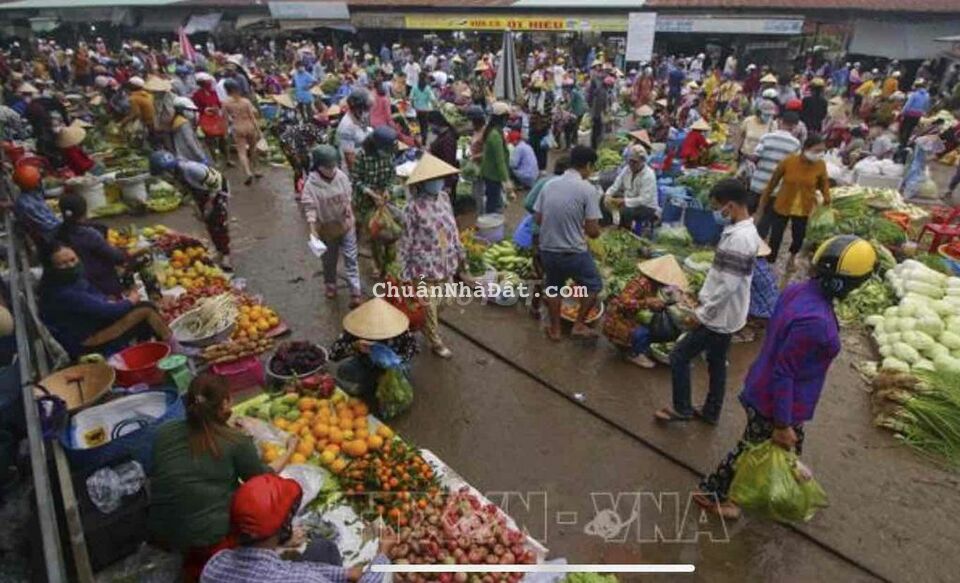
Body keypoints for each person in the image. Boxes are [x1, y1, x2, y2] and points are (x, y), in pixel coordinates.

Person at [693, 236, 877, 519]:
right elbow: (785, 372)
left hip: (769, 389)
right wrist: (781, 423)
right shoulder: (816, 322)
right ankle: (717, 496)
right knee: (752, 450)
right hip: (775, 403)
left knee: (780, 448)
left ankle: (775, 487)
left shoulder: (799, 291)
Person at [150, 374, 298, 582]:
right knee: (268, 496)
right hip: (209, 538)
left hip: (163, 530)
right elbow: (263, 478)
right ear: (223, 406)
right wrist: (291, 449)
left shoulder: (165, 431)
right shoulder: (235, 442)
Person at [655, 179, 761, 425]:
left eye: (718, 207)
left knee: (679, 356)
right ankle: (712, 411)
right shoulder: (741, 231)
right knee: (716, 363)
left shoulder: (741, 239)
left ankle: (682, 408)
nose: (717, 213)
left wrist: (701, 314)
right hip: (726, 313)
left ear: (731, 206)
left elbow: (728, 286)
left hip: (718, 315)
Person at [200, 473, 394, 583]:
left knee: (322, 548)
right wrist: (382, 554)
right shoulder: (304, 580)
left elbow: (286, 569)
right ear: (283, 527)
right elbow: (296, 575)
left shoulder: (216, 565)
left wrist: (344, 574)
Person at [38, 243, 171, 358]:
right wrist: (130, 300)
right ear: (51, 268)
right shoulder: (63, 293)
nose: (71, 265)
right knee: (146, 309)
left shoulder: (69, 280)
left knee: (137, 311)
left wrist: (111, 300)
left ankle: (149, 351)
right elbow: (108, 311)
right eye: (63, 264)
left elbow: (95, 296)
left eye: (73, 260)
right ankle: (173, 347)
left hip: (93, 325)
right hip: (87, 342)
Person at [397, 154, 465, 358]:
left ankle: (426, 325)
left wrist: (460, 251)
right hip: (422, 266)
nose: (438, 182)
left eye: (440, 178)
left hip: (445, 261)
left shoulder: (444, 197)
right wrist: (404, 272)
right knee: (429, 306)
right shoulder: (412, 207)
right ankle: (435, 341)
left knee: (447, 299)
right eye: (434, 179)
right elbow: (406, 240)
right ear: (423, 182)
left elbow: (452, 227)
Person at [534, 145, 603, 341]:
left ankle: (555, 330)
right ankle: (579, 325)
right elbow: (592, 232)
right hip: (573, 252)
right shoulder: (588, 189)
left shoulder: (549, 185)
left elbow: (538, 219)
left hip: (548, 249)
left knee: (554, 287)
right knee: (594, 285)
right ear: (588, 165)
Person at [149, 151, 233, 270]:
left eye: (162, 173)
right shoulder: (172, 176)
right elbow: (184, 192)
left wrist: (210, 204)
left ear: (167, 169)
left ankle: (226, 255)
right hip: (200, 192)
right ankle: (219, 249)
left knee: (218, 221)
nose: (163, 177)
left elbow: (215, 183)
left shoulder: (191, 169)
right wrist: (196, 209)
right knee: (208, 222)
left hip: (217, 189)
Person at [602, 256, 690, 369]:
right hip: (618, 318)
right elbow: (622, 303)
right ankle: (632, 354)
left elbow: (668, 294)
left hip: (630, 315)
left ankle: (634, 346)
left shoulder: (653, 285)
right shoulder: (641, 284)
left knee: (655, 326)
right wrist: (646, 302)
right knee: (645, 332)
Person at [302, 145, 361, 306]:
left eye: (333, 165)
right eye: (328, 167)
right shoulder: (311, 185)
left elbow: (348, 194)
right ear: (319, 167)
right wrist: (313, 229)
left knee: (350, 257)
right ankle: (330, 285)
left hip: (345, 223)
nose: (332, 169)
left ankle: (355, 291)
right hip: (327, 227)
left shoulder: (341, 177)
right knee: (329, 259)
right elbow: (310, 207)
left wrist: (348, 206)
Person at [759, 135, 831, 267]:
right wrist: (763, 201)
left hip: (804, 207)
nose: (819, 154)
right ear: (805, 149)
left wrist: (827, 198)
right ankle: (770, 261)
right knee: (776, 235)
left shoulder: (820, 165)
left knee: (798, 236)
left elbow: (824, 183)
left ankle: (792, 256)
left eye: (822, 151)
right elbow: (772, 183)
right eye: (816, 151)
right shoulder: (789, 162)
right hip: (783, 204)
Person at [55, 193, 126, 297]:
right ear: (85, 212)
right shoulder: (89, 235)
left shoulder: (58, 233)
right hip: (99, 284)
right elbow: (117, 257)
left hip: (75, 285)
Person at [351, 126, 398, 278]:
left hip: (384, 200)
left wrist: (387, 191)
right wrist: (370, 193)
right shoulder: (362, 156)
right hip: (366, 202)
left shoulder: (390, 155)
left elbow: (392, 176)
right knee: (375, 236)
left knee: (391, 233)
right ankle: (377, 265)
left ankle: (389, 264)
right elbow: (356, 180)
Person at [750, 112, 802, 236]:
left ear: (780, 121)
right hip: (776, 188)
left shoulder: (766, 137)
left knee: (749, 211)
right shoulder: (795, 144)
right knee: (767, 217)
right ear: (794, 126)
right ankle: (759, 241)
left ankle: (741, 235)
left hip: (758, 182)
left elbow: (755, 157)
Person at [604, 145, 658, 235]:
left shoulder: (648, 175)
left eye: (635, 162)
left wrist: (624, 201)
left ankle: (625, 232)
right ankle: (610, 225)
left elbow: (644, 199)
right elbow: (616, 184)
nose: (632, 164)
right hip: (629, 199)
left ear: (642, 161)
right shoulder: (627, 169)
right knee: (604, 200)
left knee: (626, 210)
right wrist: (608, 195)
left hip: (647, 207)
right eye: (630, 161)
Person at [222, 80, 262, 186]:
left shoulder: (226, 103)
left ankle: (248, 172)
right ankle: (257, 170)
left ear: (227, 90)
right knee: (253, 148)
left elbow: (225, 120)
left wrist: (225, 133)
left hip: (237, 127)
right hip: (249, 126)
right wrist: (259, 130)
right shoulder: (246, 101)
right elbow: (253, 117)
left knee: (242, 152)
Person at [10, 164, 60, 244]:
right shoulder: (26, 204)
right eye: (39, 179)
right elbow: (48, 225)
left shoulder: (33, 192)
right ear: (35, 183)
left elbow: (45, 194)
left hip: (52, 225)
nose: (41, 180)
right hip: (50, 235)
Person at [479, 101, 512, 214]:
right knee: (492, 204)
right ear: (502, 118)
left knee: (493, 201)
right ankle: (491, 225)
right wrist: (506, 180)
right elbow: (500, 161)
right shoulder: (495, 135)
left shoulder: (495, 131)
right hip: (493, 175)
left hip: (491, 173)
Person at [193, 73, 230, 167]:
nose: (209, 84)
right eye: (207, 82)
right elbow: (196, 108)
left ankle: (227, 159)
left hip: (217, 117)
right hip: (206, 120)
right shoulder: (197, 95)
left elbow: (219, 103)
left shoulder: (213, 92)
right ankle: (215, 160)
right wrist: (205, 110)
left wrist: (219, 108)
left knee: (223, 139)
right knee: (211, 141)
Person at [337, 89, 371, 171]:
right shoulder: (347, 127)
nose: (368, 111)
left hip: (365, 160)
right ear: (357, 107)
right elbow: (350, 159)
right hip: (357, 168)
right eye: (366, 108)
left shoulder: (360, 116)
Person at [171, 96, 209, 164]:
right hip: (190, 157)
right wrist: (201, 156)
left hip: (183, 156)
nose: (193, 113)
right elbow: (190, 142)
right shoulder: (184, 123)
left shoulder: (177, 120)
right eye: (190, 110)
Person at [900, 78, 931, 148]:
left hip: (909, 113)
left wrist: (903, 112)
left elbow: (908, 104)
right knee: (910, 129)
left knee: (904, 127)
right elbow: (926, 106)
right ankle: (905, 143)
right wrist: (923, 113)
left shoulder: (914, 94)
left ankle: (902, 141)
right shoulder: (927, 95)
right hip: (918, 115)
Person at [410, 72, 436, 141]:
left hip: (417, 109)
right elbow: (433, 99)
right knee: (425, 125)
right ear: (425, 79)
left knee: (418, 125)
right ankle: (424, 139)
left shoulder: (415, 87)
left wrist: (413, 106)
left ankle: (417, 140)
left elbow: (411, 98)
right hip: (426, 110)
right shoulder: (427, 88)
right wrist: (435, 107)